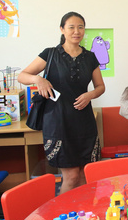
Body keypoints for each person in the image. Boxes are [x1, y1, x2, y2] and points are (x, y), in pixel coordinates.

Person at [18, 12, 105, 194]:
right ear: (62, 29)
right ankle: (65, 212)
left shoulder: (91, 57)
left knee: (84, 175)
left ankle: (84, 211)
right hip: (58, 121)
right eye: (71, 27)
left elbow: (100, 87)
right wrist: (38, 79)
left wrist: (90, 95)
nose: (76, 31)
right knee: (71, 176)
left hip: (84, 121)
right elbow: (22, 76)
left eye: (80, 27)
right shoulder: (50, 54)